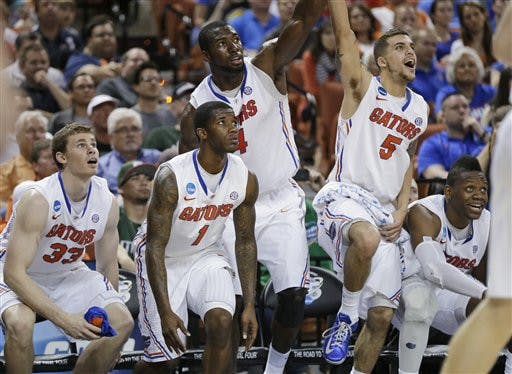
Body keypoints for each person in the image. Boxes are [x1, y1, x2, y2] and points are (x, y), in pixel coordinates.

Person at [179, 1, 326, 370]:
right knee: (226, 307)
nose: (234, 46)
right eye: (223, 43)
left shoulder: (266, 65)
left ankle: (274, 368)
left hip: (278, 200)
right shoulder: (196, 107)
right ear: (206, 55)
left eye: (235, 39)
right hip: (229, 205)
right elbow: (187, 167)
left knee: (294, 296)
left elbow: (304, 19)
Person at [313, 0, 428, 370]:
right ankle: (345, 318)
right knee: (365, 239)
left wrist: (400, 209)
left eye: (412, 46)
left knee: (381, 315)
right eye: (399, 47)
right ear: (380, 61)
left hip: (383, 208)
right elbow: (345, 37)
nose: (410, 51)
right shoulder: (363, 88)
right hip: (345, 195)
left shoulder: (421, 107)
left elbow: (407, 159)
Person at [133, 101, 258, 373]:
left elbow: (246, 241)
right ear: (202, 133)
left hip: (205, 254)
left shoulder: (244, 177)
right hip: (163, 257)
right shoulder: (171, 176)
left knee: (222, 322)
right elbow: (154, 246)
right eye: (222, 123)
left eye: (234, 122)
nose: (233, 128)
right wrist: (166, 311)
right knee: (165, 362)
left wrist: (249, 304)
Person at [0, 123, 134, 373]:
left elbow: (106, 264)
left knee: (121, 322)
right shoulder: (38, 199)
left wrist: (109, 339)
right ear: (61, 157)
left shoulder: (106, 199)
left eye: (93, 145)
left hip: (65, 271)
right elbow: (13, 273)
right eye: (81, 145)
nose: (92, 150)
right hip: (15, 273)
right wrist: (64, 320)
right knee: (20, 324)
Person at [396, 156, 489, 374]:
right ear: (448, 192)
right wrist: (485, 293)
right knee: (420, 303)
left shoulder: (487, 222)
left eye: (483, 190)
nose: (479, 196)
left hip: (449, 295)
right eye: (469, 189)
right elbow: (433, 269)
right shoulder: (424, 212)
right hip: (406, 288)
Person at [418, 93, 491, 179]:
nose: (462, 111)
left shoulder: (485, 133)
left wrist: (481, 133)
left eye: (465, 106)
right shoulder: (432, 143)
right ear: (443, 115)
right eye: (455, 108)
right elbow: (434, 175)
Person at [97, 107, 160, 194]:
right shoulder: (101, 166)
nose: (130, 134)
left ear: (141, 134)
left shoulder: (157, 157)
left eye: (134, 129)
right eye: (123, 130)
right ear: (111, 137)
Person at [0, 110, 48, 203]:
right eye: (31, 131)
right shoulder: (6, 171)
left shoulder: (56, 167)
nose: (37, 135)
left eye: (41, 130)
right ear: (18, 137)